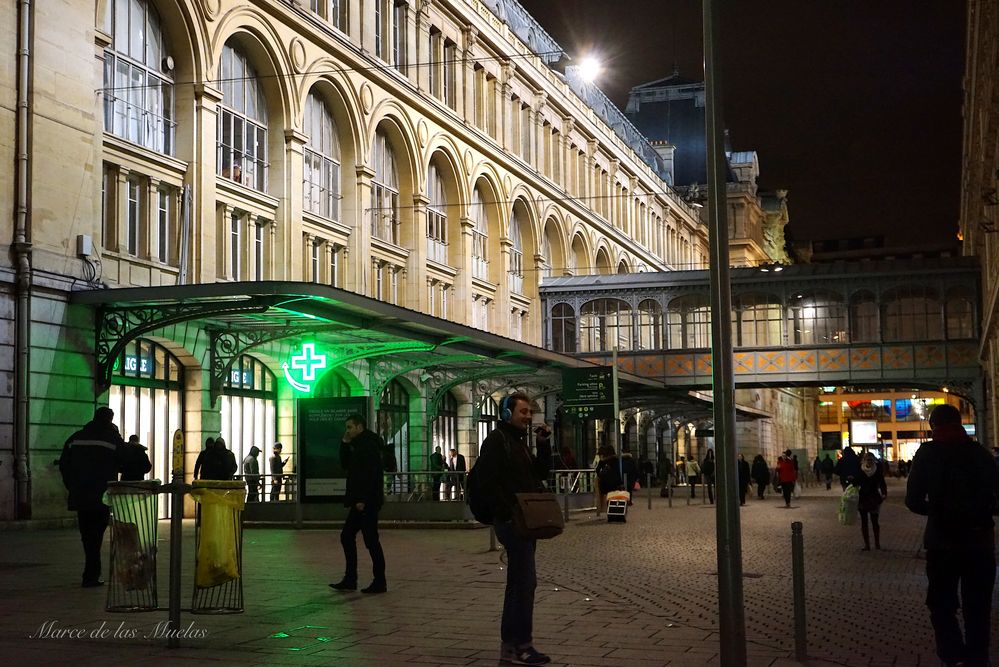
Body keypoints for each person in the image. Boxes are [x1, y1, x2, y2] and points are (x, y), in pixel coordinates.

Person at [905, 404, 998, 667]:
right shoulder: (981, 455)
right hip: (979, 541)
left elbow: (913, 500)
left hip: (942, 542)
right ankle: (978, 658)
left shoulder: (929, 454)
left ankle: (952, 653)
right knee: (978, 608)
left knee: (941, 604)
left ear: (935, 428)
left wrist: (936, 511)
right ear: (959, 424)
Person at [475, 392, 552, 665]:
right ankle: (521, 645)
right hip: (512, 522)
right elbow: (487, 482)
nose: (528, 416)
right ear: (507, 413)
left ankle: (513, 646)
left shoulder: (518, 442)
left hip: (525, 522)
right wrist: (506, 513)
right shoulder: (497, 442)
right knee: (525, 583)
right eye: (523, 412)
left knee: (519, 583)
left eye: (530, 412)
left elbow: (540, 475)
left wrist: (543, 446)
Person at [59, 406, 125, 587]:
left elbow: (64, 464)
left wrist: (71, 486)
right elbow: (133, 461)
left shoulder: (75, 438)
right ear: (109, 420)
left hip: (80, 495)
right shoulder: (111, 439)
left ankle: (90, 572)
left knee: (88, 534)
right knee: (96, 533)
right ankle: (91, 574)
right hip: (102, 495)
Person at [330, 413, 387, 594]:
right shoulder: (357, 444)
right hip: (360, 501)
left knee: (370, 540)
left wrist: (363, 499)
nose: (347, 431)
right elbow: (345, 464)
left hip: (366, 501)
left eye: (350, 427)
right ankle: (350, 578)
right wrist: (344, 444)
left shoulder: (368, 445)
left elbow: (370, 474)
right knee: (347, 536)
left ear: (359, 427)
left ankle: (379, 581)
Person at [853, 452, 887, 550]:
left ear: (874, 460)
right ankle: (867, 544)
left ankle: (877, 543)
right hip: (863, 498)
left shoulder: (877, 470)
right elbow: (856, 481)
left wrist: (884, 493)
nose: (869, 462)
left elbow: (882, 483)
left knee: (875, 521)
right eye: (868, 460)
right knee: (864, 522)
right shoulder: (860, 470)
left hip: (874, 498)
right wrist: (852, 480)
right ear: (864, 460)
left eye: (871, 460)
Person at [594, 445, 623, 513]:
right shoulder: (616, 460)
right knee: (614, 494)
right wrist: (620, 483)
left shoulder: (603, 461)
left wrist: (601, 476)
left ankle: (607, 509)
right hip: (615, 484)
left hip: (605, 484)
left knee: (606, 494)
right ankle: (614, 509)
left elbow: (597, 470)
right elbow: (618, 473)